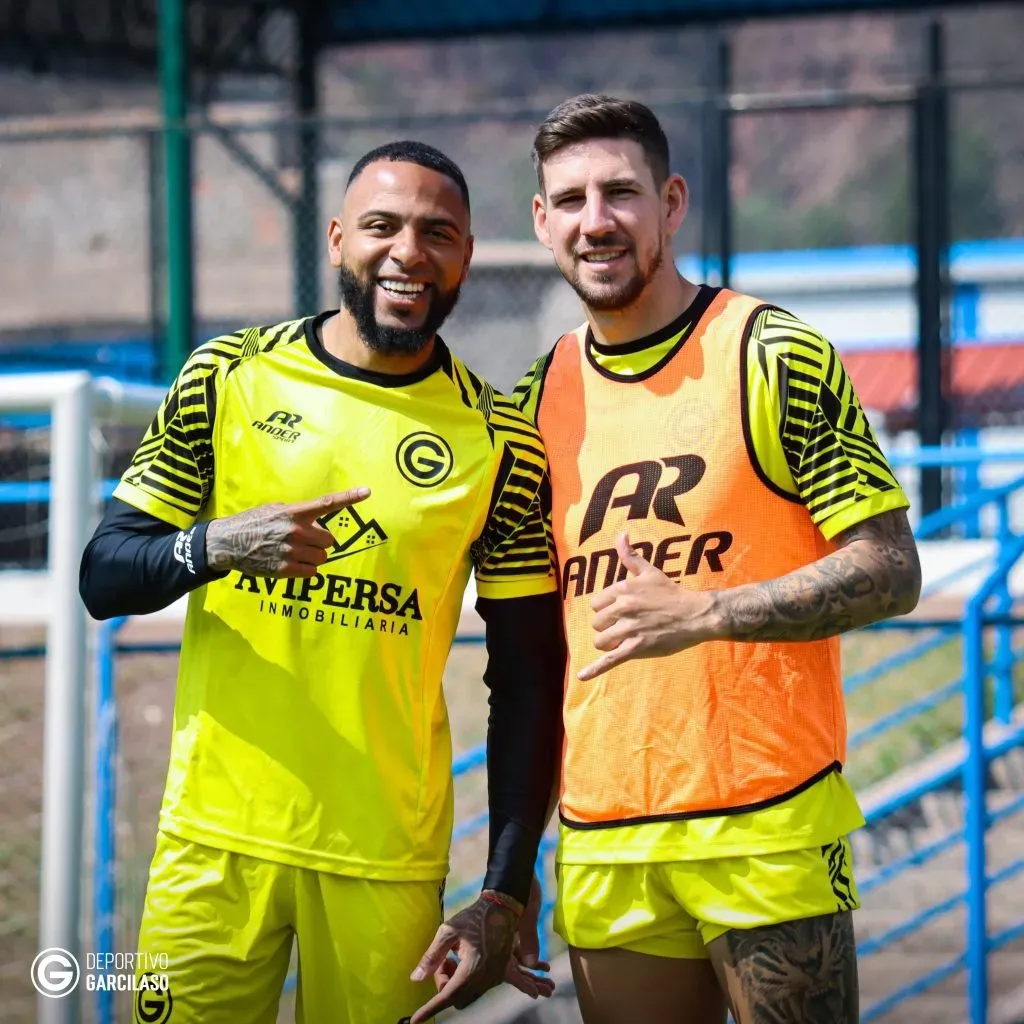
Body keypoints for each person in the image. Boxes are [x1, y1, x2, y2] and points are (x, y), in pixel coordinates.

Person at [79, 140, 565, 1024]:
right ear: (338, 238)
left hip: (385, 858)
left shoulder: (502, 438)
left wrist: (504, 889)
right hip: (210, 846)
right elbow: (104, 574)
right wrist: (219, 543)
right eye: (382, 226)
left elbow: (530, 675)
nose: (408, 252)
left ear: (465, 255)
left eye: (438, 233)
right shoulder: (227, 376)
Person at [513, 94, 923, 1024]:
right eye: (569, 200)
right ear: (541, 222)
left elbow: (892, 567)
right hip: (605, 838)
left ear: (672, 201)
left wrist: (706, 612)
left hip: (765, 827)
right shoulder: (537, 396)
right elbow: (538, 656)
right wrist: (512, 869)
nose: (596, 220)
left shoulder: (771, 353)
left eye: (620, 192)